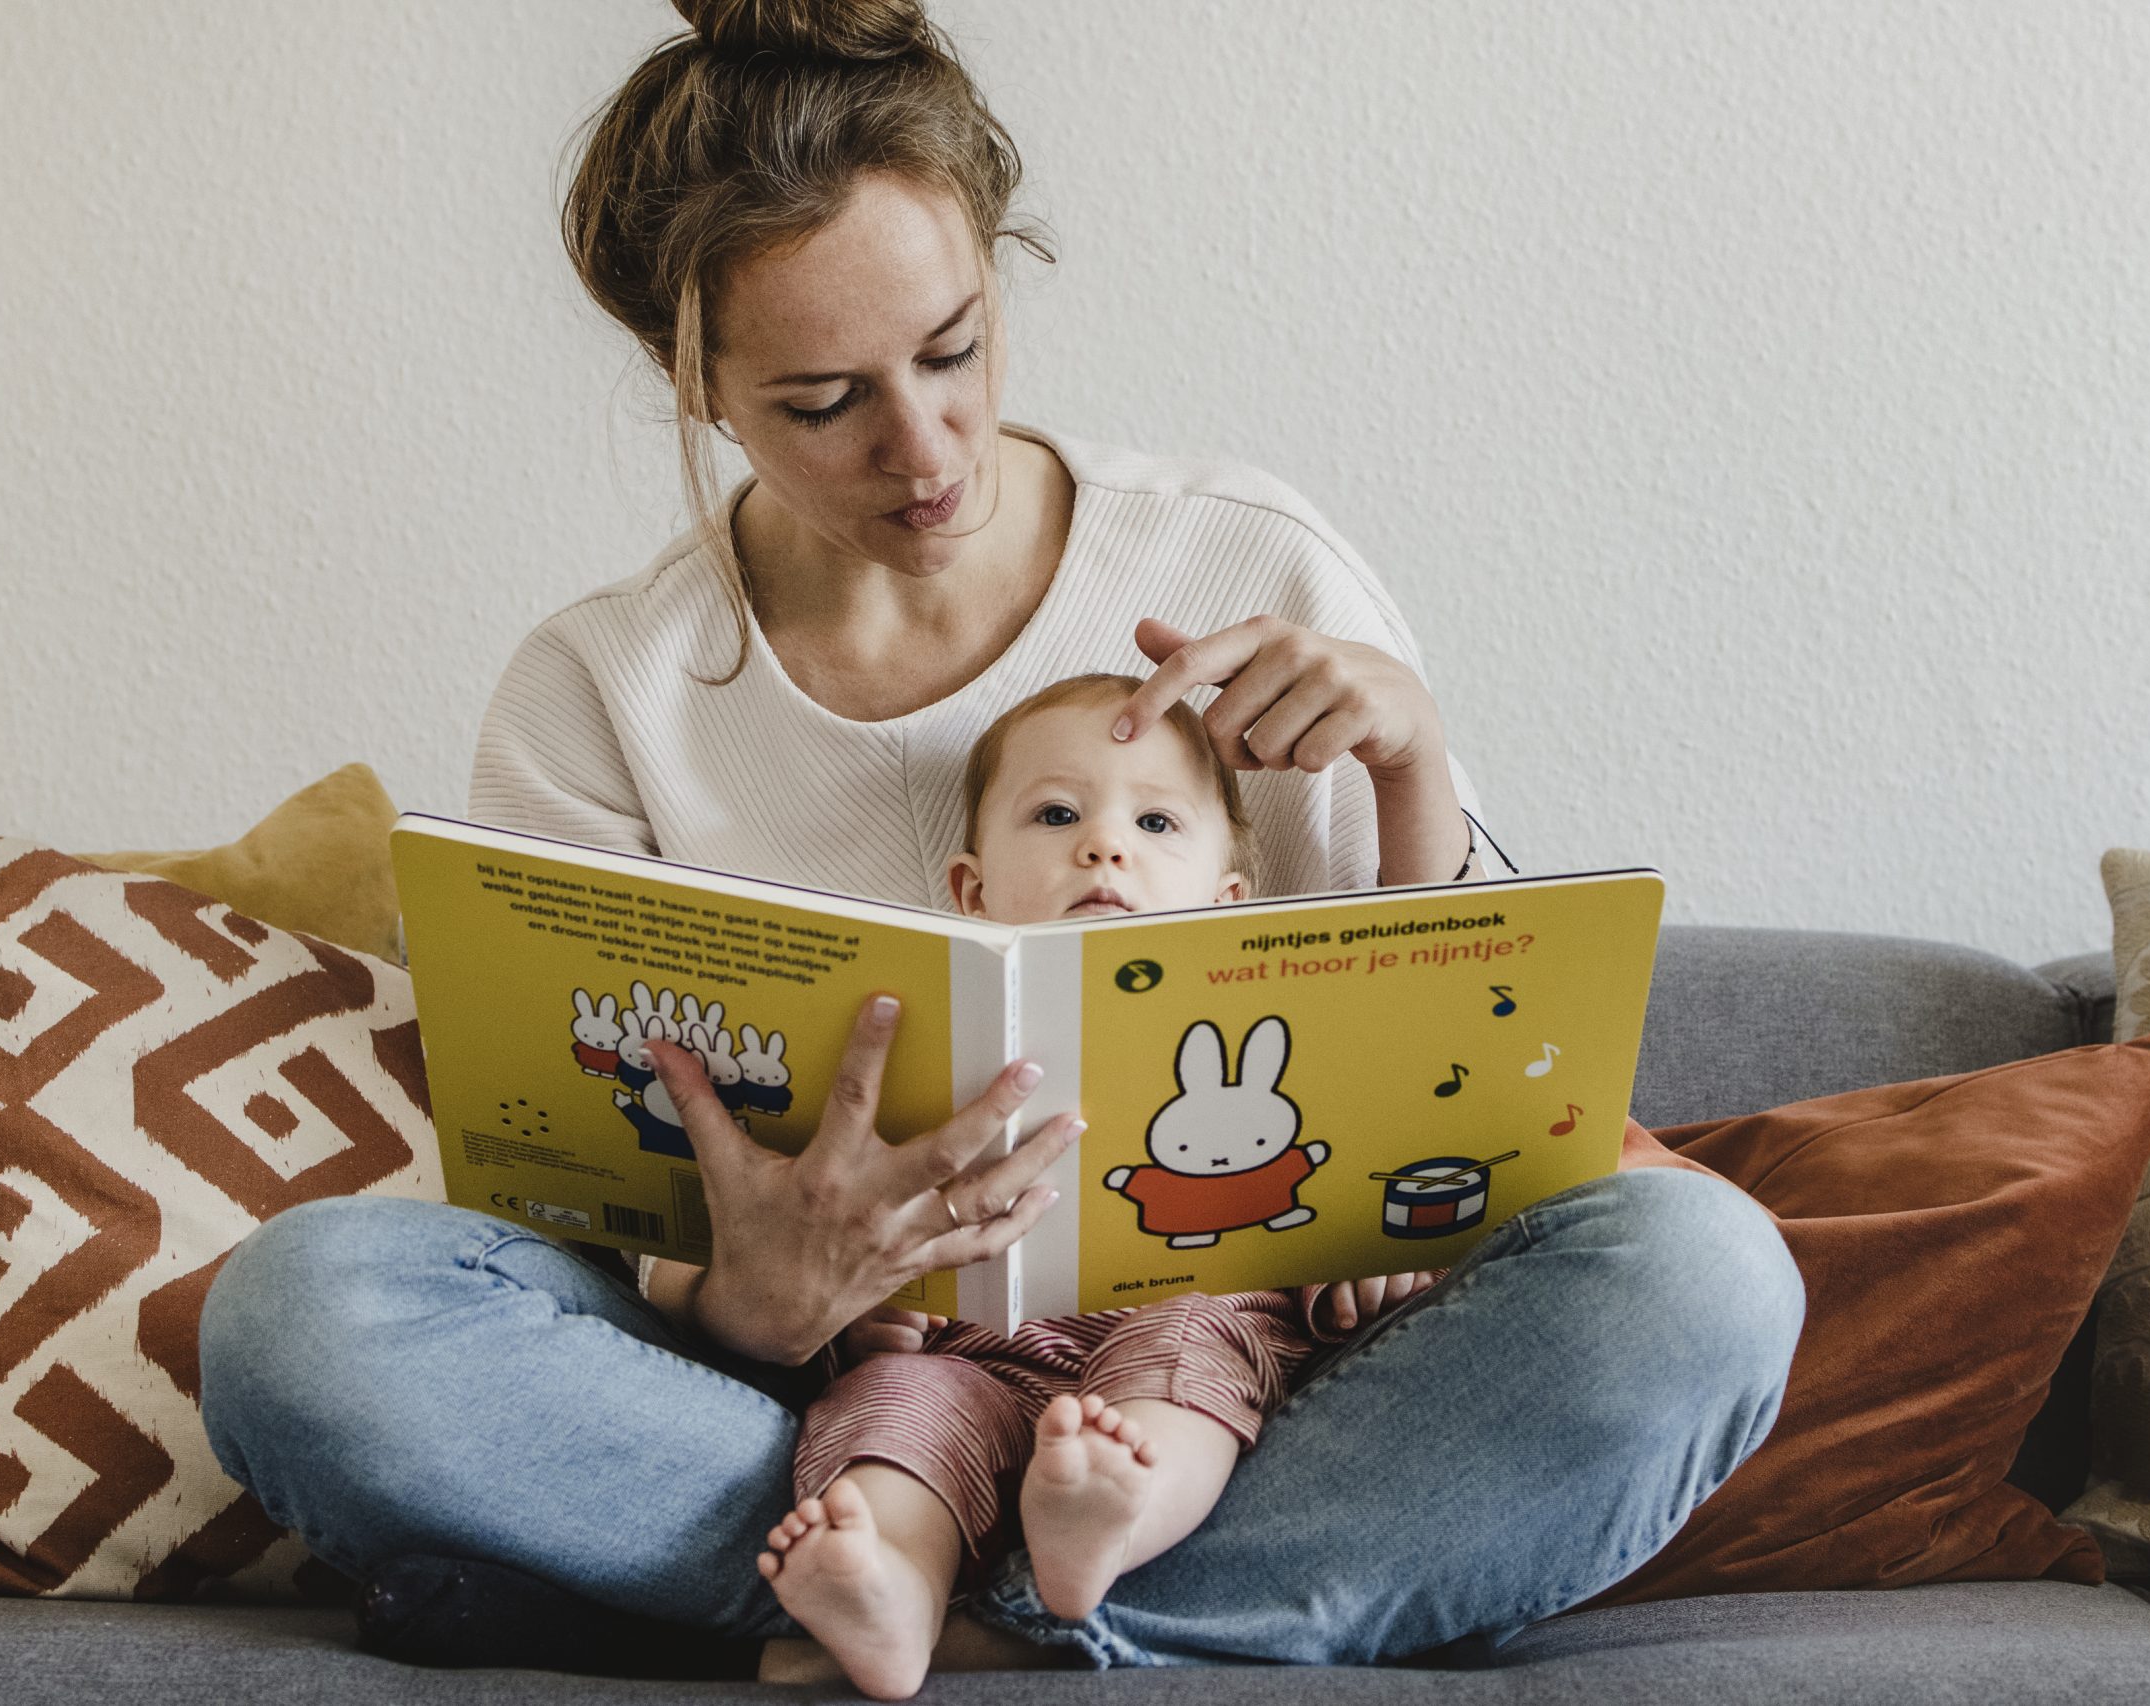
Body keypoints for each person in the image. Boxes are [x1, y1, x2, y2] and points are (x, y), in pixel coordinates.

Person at [198, 0, 1806, 1680]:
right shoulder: (598, 692)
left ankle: (926, 1617)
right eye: (824, 400)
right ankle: (989, 1585)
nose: (923, 449)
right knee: (307, 1310)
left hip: (1215, 1395)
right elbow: (598, 1209)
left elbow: (1482, 1091)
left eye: (954, 350)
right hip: (807, 1399)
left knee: (1703, 1278)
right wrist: (760, 1295)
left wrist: (1411, 747)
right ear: (697, 386)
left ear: (996, 268)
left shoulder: (1243, 561)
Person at [743, 672, 1440, 1698]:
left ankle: (1106, 1522)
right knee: (894, 1403)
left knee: (1187, 1352)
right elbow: (858, 1234)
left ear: (1225, 900)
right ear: (972, 890)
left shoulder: (1288, 1028)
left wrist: (1364, 1263)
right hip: (973, 1354)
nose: (1104, 845)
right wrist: (869, 1319)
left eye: (1155, 822)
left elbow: (1345, 1184)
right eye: (1057, 814)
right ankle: (888, 1585)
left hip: (1186, 1323)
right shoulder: (912, 1052)